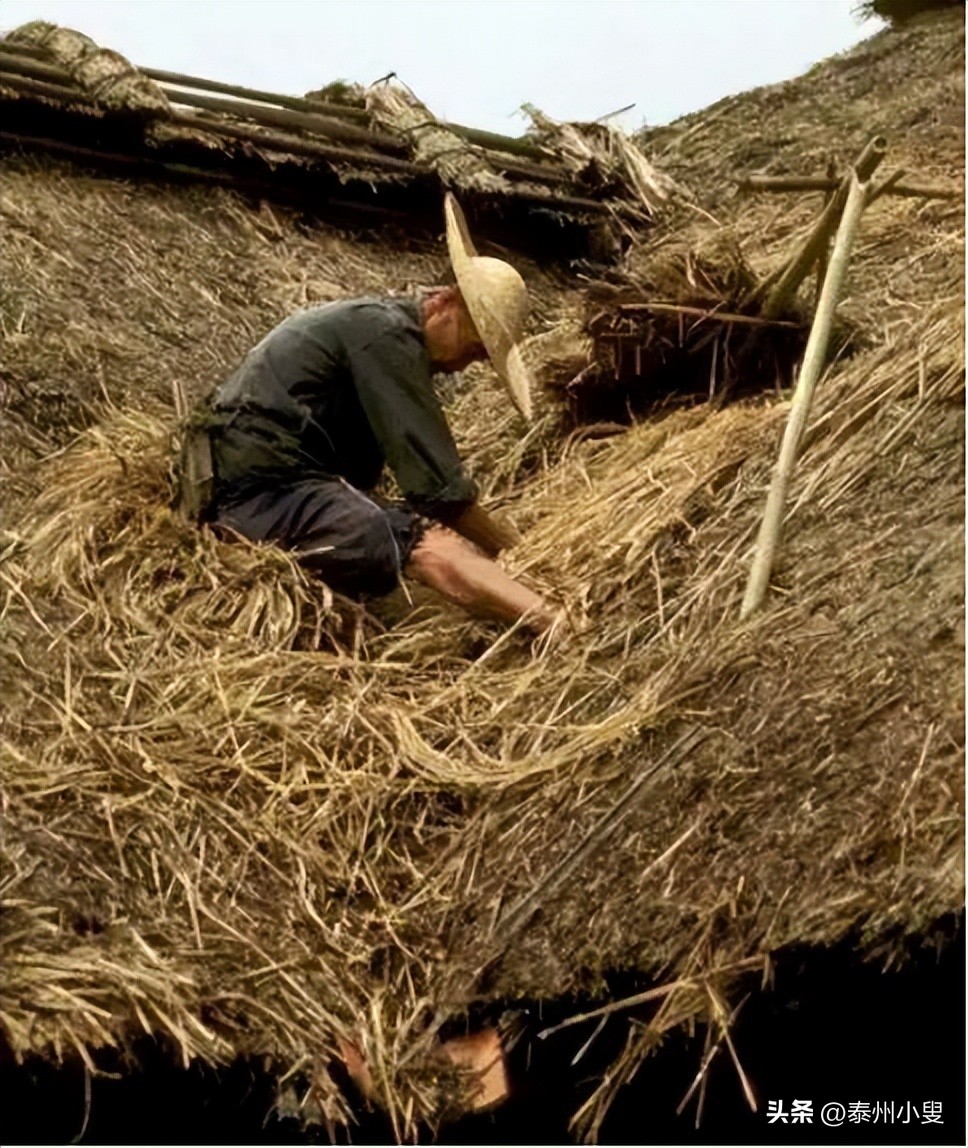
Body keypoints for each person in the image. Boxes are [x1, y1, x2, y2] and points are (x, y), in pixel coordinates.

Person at [178, 193, 557, 632]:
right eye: (473, 349)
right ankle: (554, 621)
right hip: (257, 495)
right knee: (412, 538)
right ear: (446, 303)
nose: (464, 366)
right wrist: (519, 549)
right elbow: (441, 493)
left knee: (393, 529)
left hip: (251, 488)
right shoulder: (388, 338)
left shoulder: (380, 328)